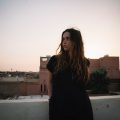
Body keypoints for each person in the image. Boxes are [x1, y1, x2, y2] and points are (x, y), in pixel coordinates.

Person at [47, 28, 94, 120]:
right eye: (63, 39)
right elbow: (49, 82)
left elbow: (84, 84)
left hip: (81, 107)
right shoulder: (54, 60)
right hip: (59, 107)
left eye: (67, 39)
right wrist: (51, 99)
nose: (64, 42)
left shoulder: (84, 62)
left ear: (75, 41)